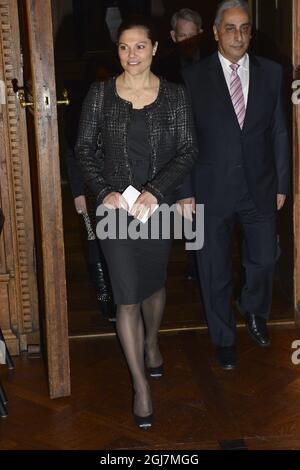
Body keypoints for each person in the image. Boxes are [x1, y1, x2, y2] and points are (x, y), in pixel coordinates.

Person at [75, 15, 198, 428]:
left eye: (140, 46)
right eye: (124, 47)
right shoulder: (100, 94)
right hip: (115, 212)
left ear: (155, 49)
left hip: (156, 209)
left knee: (153, 287)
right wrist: (104, 191)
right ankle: (141, 386)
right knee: (127, 297)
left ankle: (152, 342)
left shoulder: (176, 96)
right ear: (118, 51)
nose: (131, 55)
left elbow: (187, 151)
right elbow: (85, 150)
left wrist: (156, 192)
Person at [177, 0, 290, 370]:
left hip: (260, 186)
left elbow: (278, 131)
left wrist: (283, 183)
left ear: (250, 33)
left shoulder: (272, 73)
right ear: (215, 32)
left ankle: (255, 310)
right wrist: (185, 192)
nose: (238, 35)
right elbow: (185, 140)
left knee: (263, 261)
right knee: (213, 269)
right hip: (209, 190)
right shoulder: (193, 78)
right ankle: (223, 338)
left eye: (244, 28)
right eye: (230, 28)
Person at [156, 8, 203, 84]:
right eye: (182, 35)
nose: (188, 41)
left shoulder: (215, 62)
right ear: (173, 36)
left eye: (192, 35)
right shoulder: (162, 68)